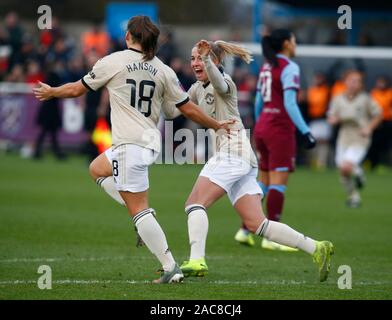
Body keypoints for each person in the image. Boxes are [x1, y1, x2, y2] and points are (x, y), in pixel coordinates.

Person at [33, 15, 232, 284]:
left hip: (130, 145)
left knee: (138, 210)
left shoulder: (113, 61)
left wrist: (52, 91)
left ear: (129, 37)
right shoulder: (164, 70)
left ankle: (169, 265)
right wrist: (215, 123)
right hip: (147, 144)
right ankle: (143, 218)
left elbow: (77, 89)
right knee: (97, 169)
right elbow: (187, 109)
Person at [179, 39, 333, 282]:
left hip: (232, 153)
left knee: (194, 205)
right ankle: (317, 247)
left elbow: (217, 81)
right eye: (193, 58)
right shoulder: (196, 89)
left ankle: (197, 260)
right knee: (256, 224)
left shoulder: (225, 81)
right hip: (242, 158)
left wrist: (208, 60)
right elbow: (175, 108)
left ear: (216, 61)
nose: (195, 62)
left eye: (201, 57)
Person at [234, 29, 317, 251]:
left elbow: (259, 100)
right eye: (293, 39)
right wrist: (306, 131)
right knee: (278, 184)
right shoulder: (290, 67)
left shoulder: (266, 67)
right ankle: (273, 237)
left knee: (264, 181)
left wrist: (261, 124)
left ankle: (244, 229)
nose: (295, 42)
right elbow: (290, 103)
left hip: (263, 128)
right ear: (287, 44)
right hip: (279, 130)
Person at [328, 70, 382, 208]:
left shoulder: (365, 99)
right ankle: (354, 196)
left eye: (358, 81)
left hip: (360, 137)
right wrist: (334, 119)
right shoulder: (338, 98)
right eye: (352, 80)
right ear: (345, 82)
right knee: (343, 170)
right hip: (344, 136)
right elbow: (331, 117)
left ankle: (356, 171)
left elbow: (378, 115)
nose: (355, 83)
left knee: (346, 166)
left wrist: (369, 128)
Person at [368, 75, 392, 170]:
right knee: (374, 144)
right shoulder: (373, 93)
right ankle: (374, 164)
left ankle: (386, 164)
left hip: (388, 122)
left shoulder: (390, 93)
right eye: (379, 82)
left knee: (387, 145)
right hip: (376, 122)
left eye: (383, 82)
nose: (381, 84)